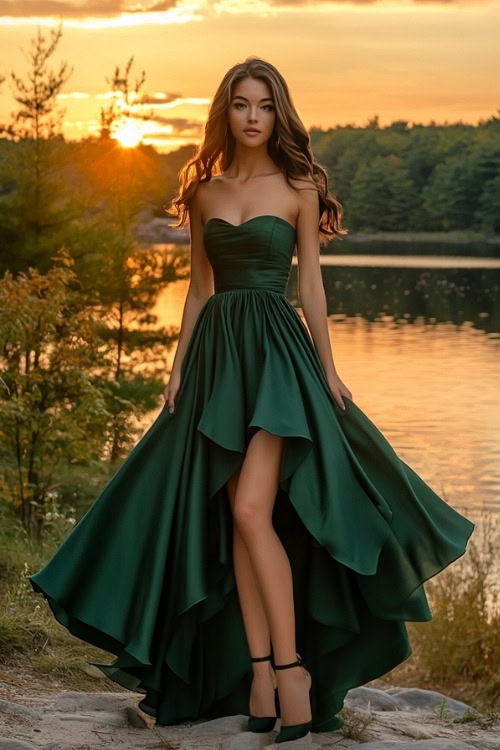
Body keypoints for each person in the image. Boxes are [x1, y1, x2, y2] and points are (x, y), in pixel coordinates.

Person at [28, 56, 475, 746]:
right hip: (217, 365)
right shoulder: (204, 192)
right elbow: (201, 289)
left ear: (279, 112)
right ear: (226, 112)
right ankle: (264, 675)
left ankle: (293, 670)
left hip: (277, 363)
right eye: (242, 104)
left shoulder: (299, 187)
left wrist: (329, 372)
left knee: (248, 508)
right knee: (238, 519)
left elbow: (313, 290)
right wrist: (179, 370)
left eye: (265, 104)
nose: (254, 116)